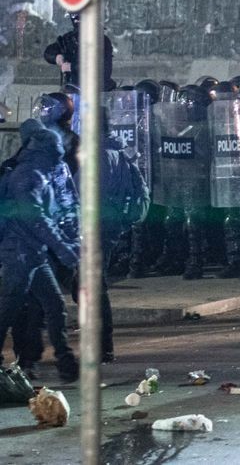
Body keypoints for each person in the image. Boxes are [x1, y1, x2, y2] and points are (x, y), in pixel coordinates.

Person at [0, 120, 80, 382]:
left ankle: (65, 360)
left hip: (33, 252)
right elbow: (37, 218)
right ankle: (62, 359)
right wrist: (63, 247)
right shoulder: (28, 176)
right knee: (9, 309)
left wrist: (67, 242)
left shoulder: (39, 172)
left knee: (54, 306)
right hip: (20, 253)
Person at [89, 107, 150, 361]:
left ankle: (103, 346)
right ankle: (103, 345)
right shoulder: (119, 151)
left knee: (93, 286)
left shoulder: (100, 155)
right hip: (111, 225)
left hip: (98, 226)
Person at [43, 11, 115, 91]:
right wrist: (57, 57)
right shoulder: (70, 38)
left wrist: (72, 67)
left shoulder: (102, 40)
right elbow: (49, 52)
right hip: (72, 91)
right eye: (75, 19)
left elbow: (100, 67)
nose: (77, 22)